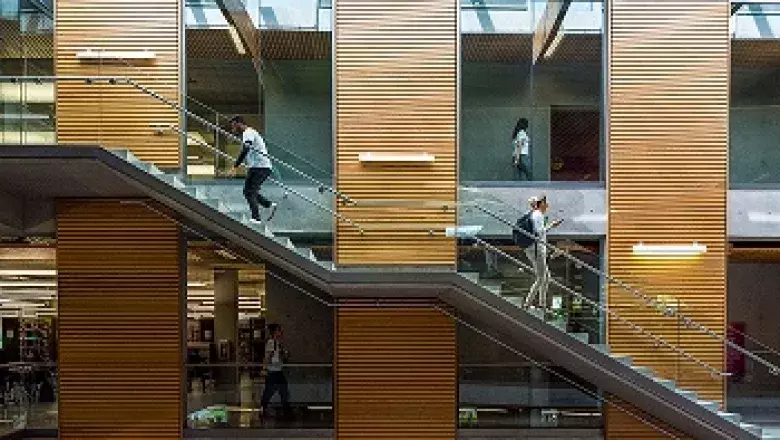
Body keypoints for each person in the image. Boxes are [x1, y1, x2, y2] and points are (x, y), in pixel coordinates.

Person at [228, 116, 277, 224]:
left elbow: (246, 149)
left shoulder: (248, 132)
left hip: (261, 167)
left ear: (239, 123)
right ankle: (268, 205)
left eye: (234, 126)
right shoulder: (248, 133)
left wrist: (235, 166)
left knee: (251, 192)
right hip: (255, 167)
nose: (233, 129)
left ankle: (256, 218)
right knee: (247, 191)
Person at [523, 195, 563, 310]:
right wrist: (552, 226)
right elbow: (539, 233)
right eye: (546, 203)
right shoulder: (538, 215)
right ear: (540, 204)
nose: (548, 205)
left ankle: (542, 303)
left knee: (546, 277)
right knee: (541, 278)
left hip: (535, 249)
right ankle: (528, 303)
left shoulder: (535, 214)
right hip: (536, 249)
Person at [260, 323, 291, 419]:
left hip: (277, 371)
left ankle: (285, 410)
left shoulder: (277, 343)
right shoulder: (271, 343)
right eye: (279, 330)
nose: (281, 332)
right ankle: (264, 409)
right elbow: (268, 357)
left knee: (280, 390)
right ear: (274, 332)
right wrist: (265, 368)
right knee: (273, 391)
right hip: (273, 372)